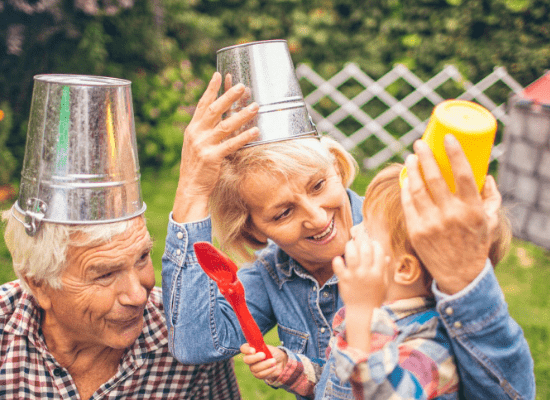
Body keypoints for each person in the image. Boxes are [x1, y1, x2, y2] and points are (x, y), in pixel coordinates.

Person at [162, 71, 535, 400]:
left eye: (319, 184)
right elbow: (196, 342)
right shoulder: (276, 272)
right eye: (283, 212)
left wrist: (465, 279)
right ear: (255, 230)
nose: (318, 217)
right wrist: (192, 191)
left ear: (337, 167)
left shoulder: (403, 240)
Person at [240, 162, 510, 399]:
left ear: (404, 269)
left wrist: (360, 315)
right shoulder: (376, 318)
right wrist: (290, 367)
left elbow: (377, 392)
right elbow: (341, 383)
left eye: (367, 229)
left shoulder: (429, 345)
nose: (355, 229)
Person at [0, 211, 241, 399]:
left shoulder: (191, 331)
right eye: (105, 275)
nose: (137, 296)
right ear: (39, 285)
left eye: (142, 258)